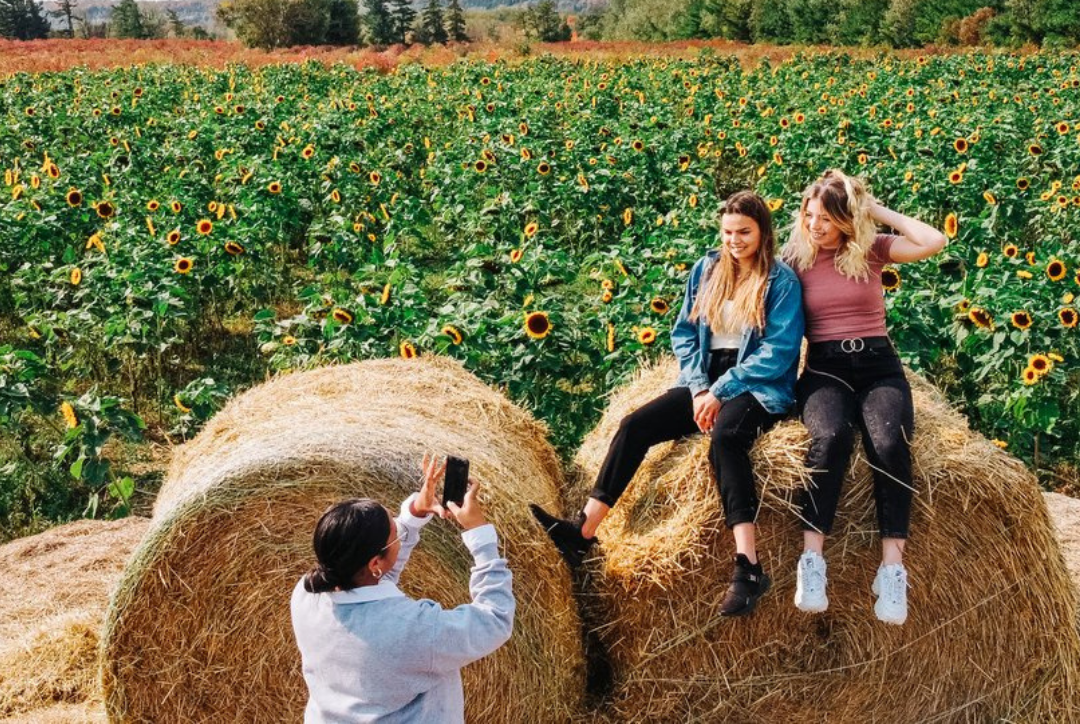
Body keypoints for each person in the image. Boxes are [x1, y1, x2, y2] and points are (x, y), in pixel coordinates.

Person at [530, 190, 804, 617]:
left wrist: (722, 389)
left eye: (744, 232)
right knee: (634, 425)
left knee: (726, 439)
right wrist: (698, 388)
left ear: (762, 232)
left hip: (757, 384)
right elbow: (684, 334)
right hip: (706, 378)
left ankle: (748, 566)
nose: (735, 240)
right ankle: (584, 531)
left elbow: (779, 352)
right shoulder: (707, 269)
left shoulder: (780, 281)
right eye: (729, 231)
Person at [785, 169, 946, 625]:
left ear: (845, 219)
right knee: (830, 437)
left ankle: (892, 569)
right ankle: (812, 561)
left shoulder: (872, 251)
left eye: (826, 217)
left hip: (879, 366)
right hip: (824, 369)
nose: (815, 225)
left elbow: (933, 241)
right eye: (809, 215)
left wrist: (872, 208)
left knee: (891, 444)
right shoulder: (794, 259)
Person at [291, 455, 515, 723]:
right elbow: (495, 619)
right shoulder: (416, 630)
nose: (399, 529)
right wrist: (480, 535)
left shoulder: (306, 593)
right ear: (375, 562)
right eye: (395, 531)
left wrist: (415, 513)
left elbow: (375, 579)